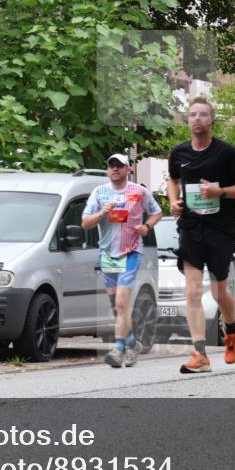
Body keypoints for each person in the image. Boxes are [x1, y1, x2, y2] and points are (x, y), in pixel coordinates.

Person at [167, 97, 235, 373]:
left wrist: (220, 192)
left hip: (220, 229)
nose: (197, 119)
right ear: (188, 121)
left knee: (218, 292)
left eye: (203, 114)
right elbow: (173, 179)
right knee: (192, 289)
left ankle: (231, 329)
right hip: (191, 227)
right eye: (192, 114)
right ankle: (200, 354)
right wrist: (173, 202)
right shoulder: (179, 153)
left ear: (212, 121)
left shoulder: (225, 153)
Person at [82, 154, 163, 368]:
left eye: (119, 166)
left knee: (121, 303)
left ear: (128, 169)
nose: (115, 169)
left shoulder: (139, 191)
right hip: (108, 254)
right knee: (116, 307)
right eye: (111, 166)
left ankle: (118, 351)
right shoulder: (99, 192)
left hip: (131, 252)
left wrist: (146, 227)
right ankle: (131, 343)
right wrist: (102, 213)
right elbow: (85, 223)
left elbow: (157, 212)